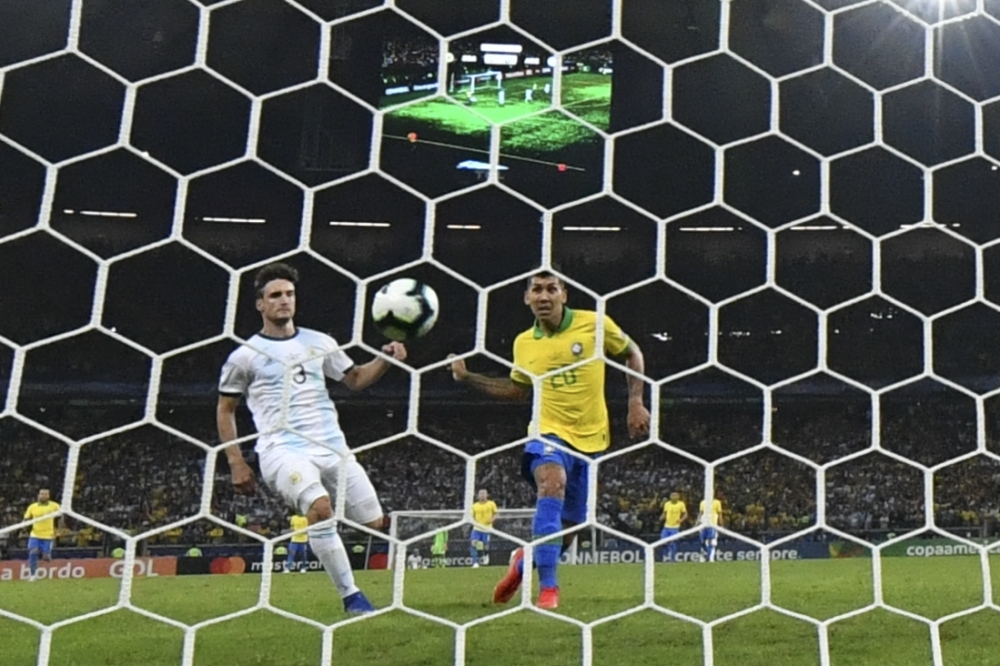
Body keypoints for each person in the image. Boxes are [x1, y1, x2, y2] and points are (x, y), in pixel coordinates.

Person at [450, 269, 650, 609]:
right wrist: (468, 377)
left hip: (592, 438)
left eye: (551, 289)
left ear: (564, 294)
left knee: (569, 528)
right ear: (527, 298)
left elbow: (633, 353)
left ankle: (522, 564)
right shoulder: (523, 343)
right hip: (547, 431)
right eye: (537, 290)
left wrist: (635, 402)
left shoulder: (594, 324)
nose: (544, 296)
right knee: (551, 483)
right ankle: (549, 590)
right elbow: (517, 389)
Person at [217, 262, 406, 614]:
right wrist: (236, 461)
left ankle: (332, 548)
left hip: (331, 446)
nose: (284, 301)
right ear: (260, 304)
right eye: (275, 295)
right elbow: (225, 409)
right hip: (281, 449)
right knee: (320, 510)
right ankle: (353, 598)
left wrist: (386, 358)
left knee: (373, 523)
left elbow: (354, 379)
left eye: (289, 294)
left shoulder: (320, 342)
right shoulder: (244, 356)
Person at [23, 489, 62, 581]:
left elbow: (61, 518)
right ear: (38, 495)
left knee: (45, 557)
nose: (43, 496)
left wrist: (59, 530)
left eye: (45, 494)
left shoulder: (55, 506)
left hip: (48, 535)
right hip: (35, 534)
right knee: (33, 552)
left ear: (48, 496)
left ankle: (47, 554)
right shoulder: (32, 507)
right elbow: (26, 519)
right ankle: (33, 575)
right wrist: (23, 528)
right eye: (41, 494)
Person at [470, 489, 498, 568]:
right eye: (480, 494)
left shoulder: (491, 504)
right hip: (477, 529)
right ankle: (475, 562)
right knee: (473, 543)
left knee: (485, 545)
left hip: (487, 529)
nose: (482, 495)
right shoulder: (474, 506)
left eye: (484, 494)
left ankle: (486, 555)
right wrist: (475, 521)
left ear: (487, 495)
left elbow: (496, 513)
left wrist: (492, 519)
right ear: (478, 495)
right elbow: (471, 516)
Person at [660, 492, 688, 563]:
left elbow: (685, 514)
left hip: (675, 527)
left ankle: (672, 559)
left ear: (678, 497)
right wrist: (661, 518)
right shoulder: (667, 504)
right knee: (663, 541)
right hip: (666, 526)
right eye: (672, 495)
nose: (674, 497)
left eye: (675, 495)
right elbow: (665, 513)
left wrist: (681, 520)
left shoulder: (681, 504)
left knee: (673, 543)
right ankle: (665, 556)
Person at [698, 495, 724, 563]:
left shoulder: (717, 502)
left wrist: (721, 524)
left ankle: (711, 558)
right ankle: (704, 557)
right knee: (702, 541)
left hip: (712, 524)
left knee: (711, 541)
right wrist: (697, 523)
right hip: (703, 525)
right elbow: (700, 514)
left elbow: (719, 514)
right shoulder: (702, 502)